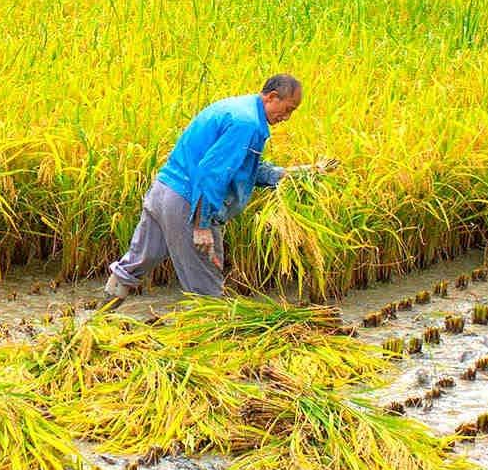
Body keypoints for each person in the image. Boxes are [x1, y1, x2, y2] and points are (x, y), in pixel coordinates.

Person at [102, 74, 331, 302]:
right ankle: (207, 333)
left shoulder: (238, 109)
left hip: (163, 192)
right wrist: (201, 226)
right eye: (288, 109)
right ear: (272, 97)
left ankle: (94, 325)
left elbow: (251, 170)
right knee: (207, 288)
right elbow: (211, 174)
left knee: (134, 264)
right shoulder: (247, 123)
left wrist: (305, 172)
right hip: (187, 202)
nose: (287, 117)